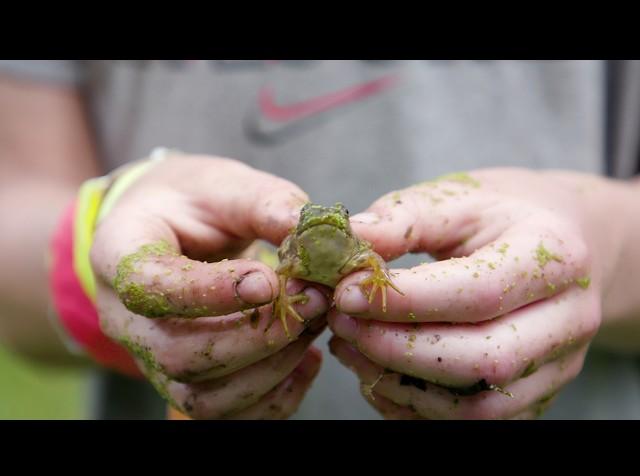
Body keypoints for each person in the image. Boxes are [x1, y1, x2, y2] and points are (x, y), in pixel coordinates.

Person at [1, 60, 640, 420]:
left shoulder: (343, 241)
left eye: (331, 219)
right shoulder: (302, 248)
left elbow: (364, 257)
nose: (326, 224)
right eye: (318, 220)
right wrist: (103, 234)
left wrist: (607, 251)